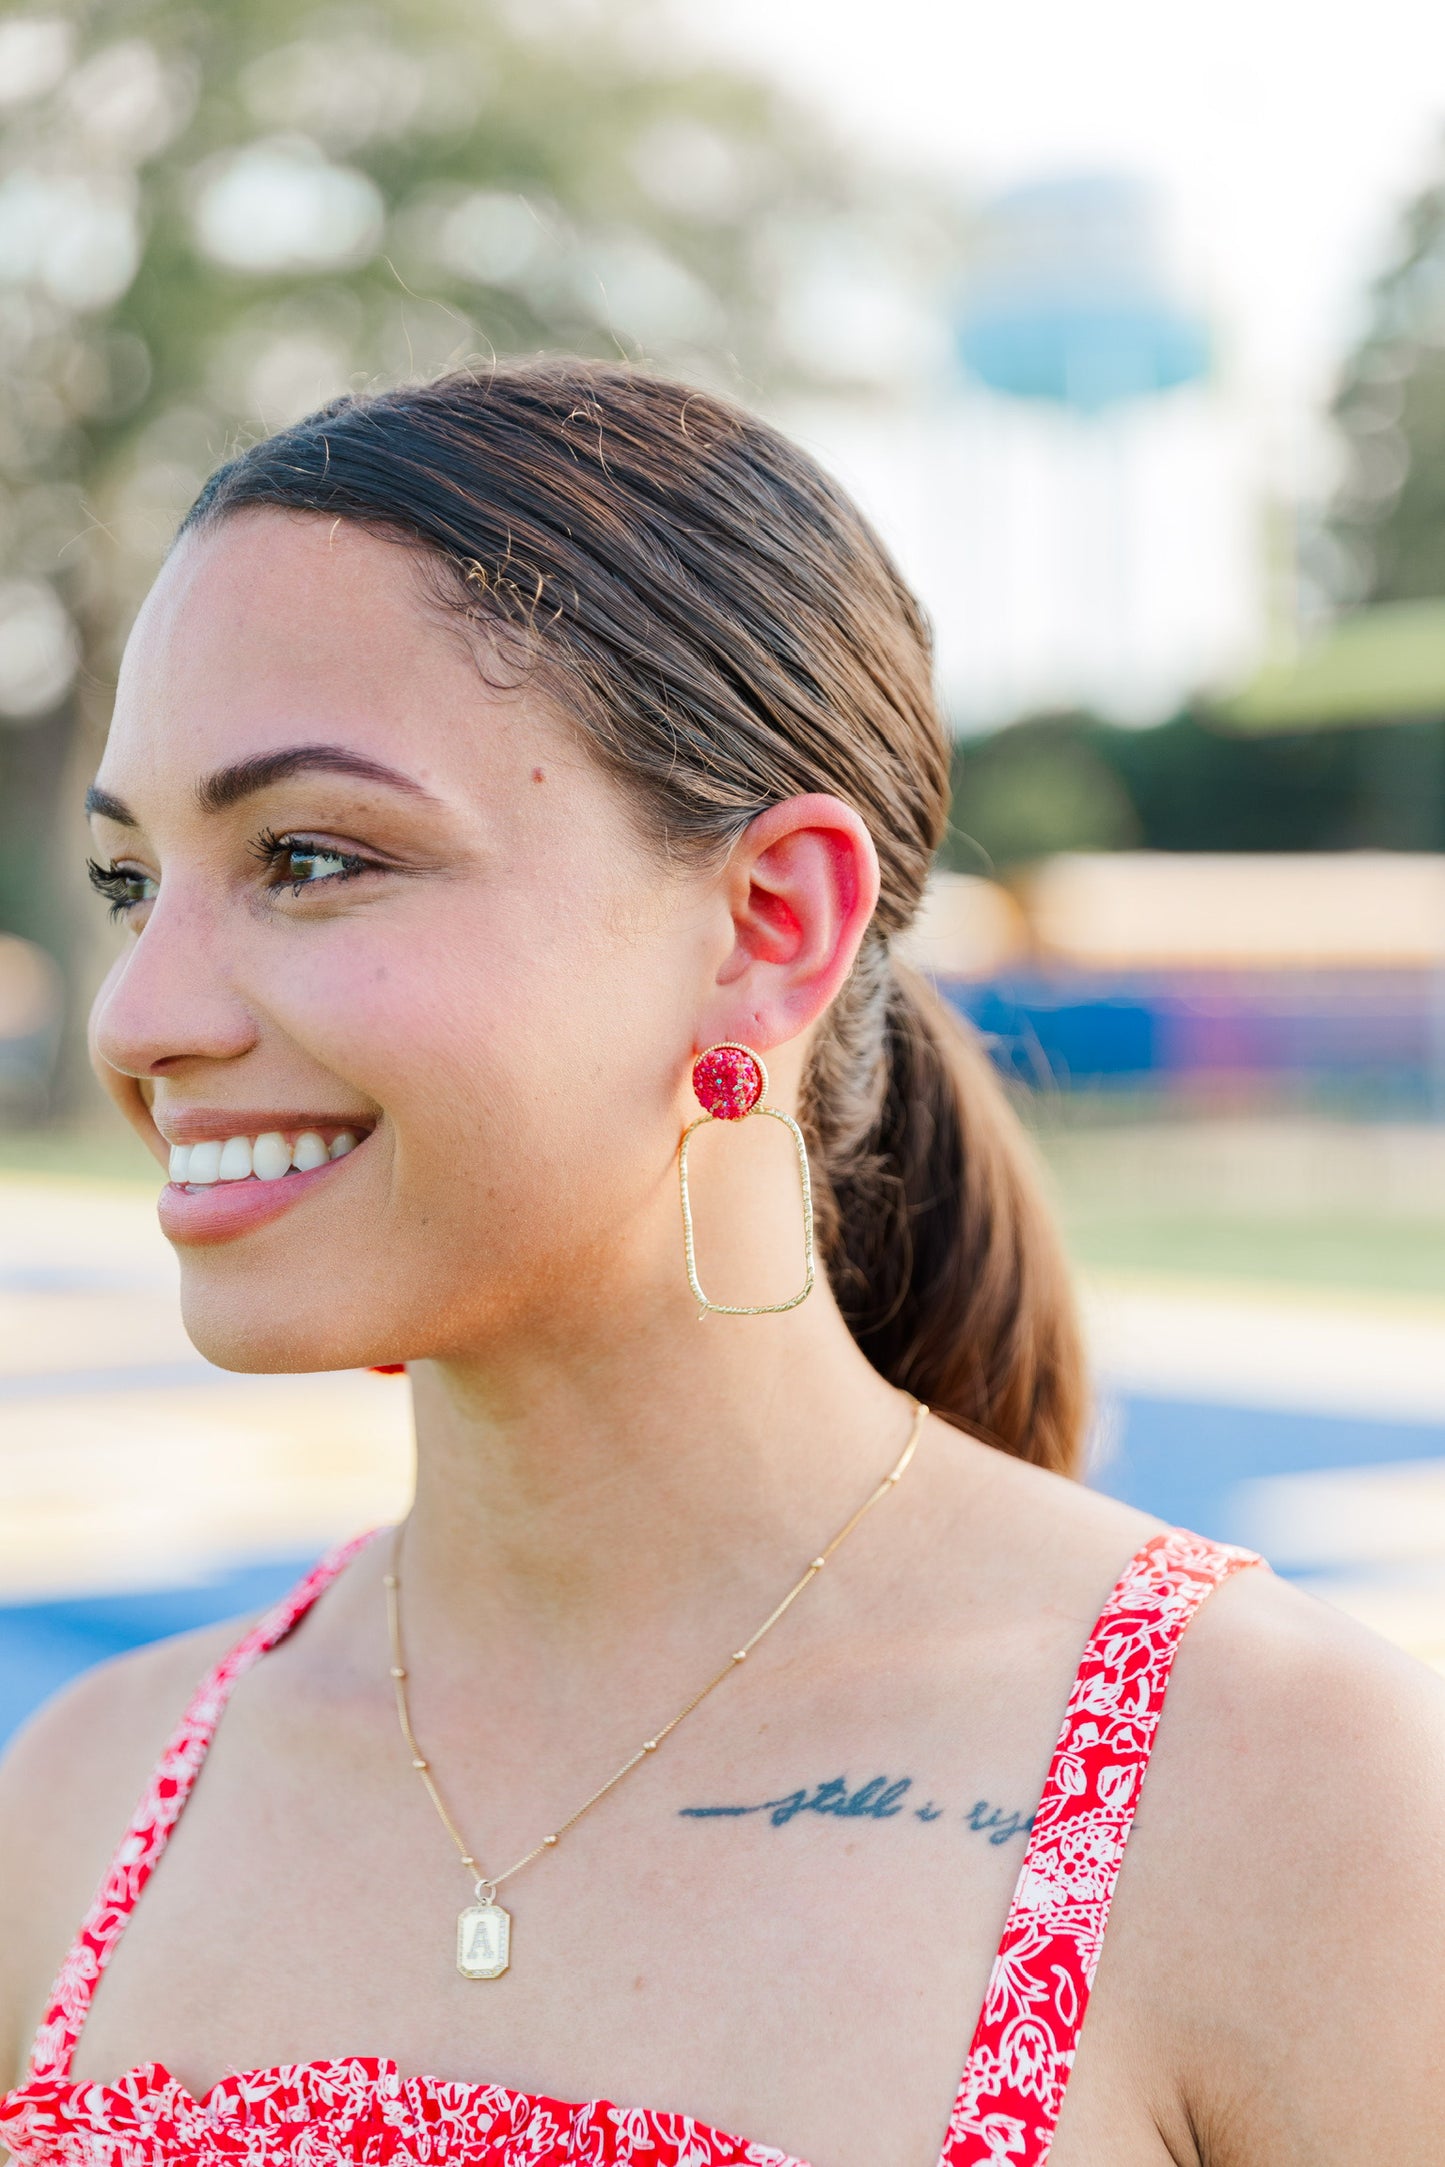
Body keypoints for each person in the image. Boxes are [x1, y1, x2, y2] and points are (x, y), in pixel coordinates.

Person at [0, 364, 1441, 2167]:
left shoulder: (1289, 1802)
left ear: (769, 925)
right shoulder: (88, 1796)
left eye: (306, 857)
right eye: (136, 883)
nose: (142, 1017)